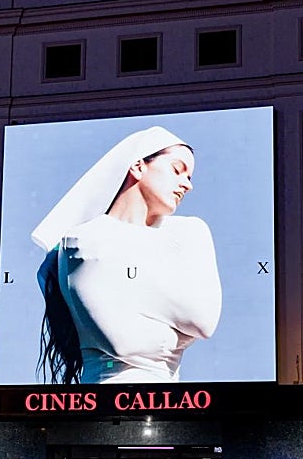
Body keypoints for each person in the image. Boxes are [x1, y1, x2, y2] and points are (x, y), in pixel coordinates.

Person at [32, 126, 221, 384]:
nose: (188, 185)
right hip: (103, 397)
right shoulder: (83, 240)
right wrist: (178, 331)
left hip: (171, 400)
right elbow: (123, 343)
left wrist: (127, 290)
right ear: (138, 167)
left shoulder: (188, 232)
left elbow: (203, 321)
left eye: (189, 177)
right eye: (177, 170)